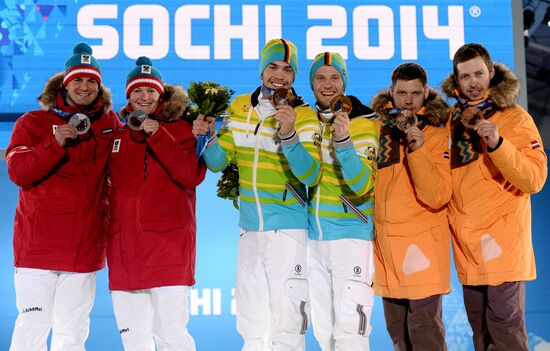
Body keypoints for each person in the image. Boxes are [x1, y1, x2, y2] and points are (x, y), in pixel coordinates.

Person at [192, 38, 321, 350]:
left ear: (294, 77)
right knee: (251, 321)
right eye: (273, 66)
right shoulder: (239, 108)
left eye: (288, 69)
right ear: (262, 70)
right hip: (249, 231)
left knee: (287, 321)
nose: (280, 74)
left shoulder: (304, 115)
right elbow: (219, 162)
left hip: (288, 231)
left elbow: (311, 174)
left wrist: (290, 134)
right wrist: (208, 137)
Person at [6, 42, 119, 350]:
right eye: (78, 80)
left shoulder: (110, 124)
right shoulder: (31, 123)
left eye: (92, 81)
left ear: (99, 86)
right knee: (32, 327)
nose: (85, 87)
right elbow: (19, 173)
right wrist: (53, 144)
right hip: (37, 249)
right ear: (65, 83)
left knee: (72, 334)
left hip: (83, 248)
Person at [441, 43, 547, 351]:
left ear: (491, 72)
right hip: (468, 248)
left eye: (478, 74)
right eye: (465, 76)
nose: (473, 82)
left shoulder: (514, 118)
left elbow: (534, 179)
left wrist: (498, 143)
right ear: (456, 81)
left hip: (503, 246)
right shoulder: (448, 122)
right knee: (481, 335)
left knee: (505, 332)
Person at [106, 56, 206, 350]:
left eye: (151, 90)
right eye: (138, 90)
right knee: (134, 341)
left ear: (161, 94)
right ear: (128, 96)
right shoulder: (117, 133)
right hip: (125, 251)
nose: (144, 96)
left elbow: (191, 175)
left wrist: (157, 134)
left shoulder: (183, 129)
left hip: (169, 251)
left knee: (172, 338)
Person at [371, 63, 451, 350]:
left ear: (425, 92)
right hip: (385, 249)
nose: (407, 100)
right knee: (399, 337)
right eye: (401, 93)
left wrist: (418, 150)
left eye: (415, 93)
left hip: (422, 248)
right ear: (391, 92)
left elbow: (438, 195)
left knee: (425, 334)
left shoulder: (438, 132)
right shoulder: (375, 127)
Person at [306, 52, 378, 351]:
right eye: (320, 77)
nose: (327, 84)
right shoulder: (306, 121)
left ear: (344, 82)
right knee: (324, 333)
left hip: (352, 237)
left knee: (351, 333)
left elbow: (362, 184)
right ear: (311, 84)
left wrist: (344, 143)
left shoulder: (365, 123)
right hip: (314, 239)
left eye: (334, 77)